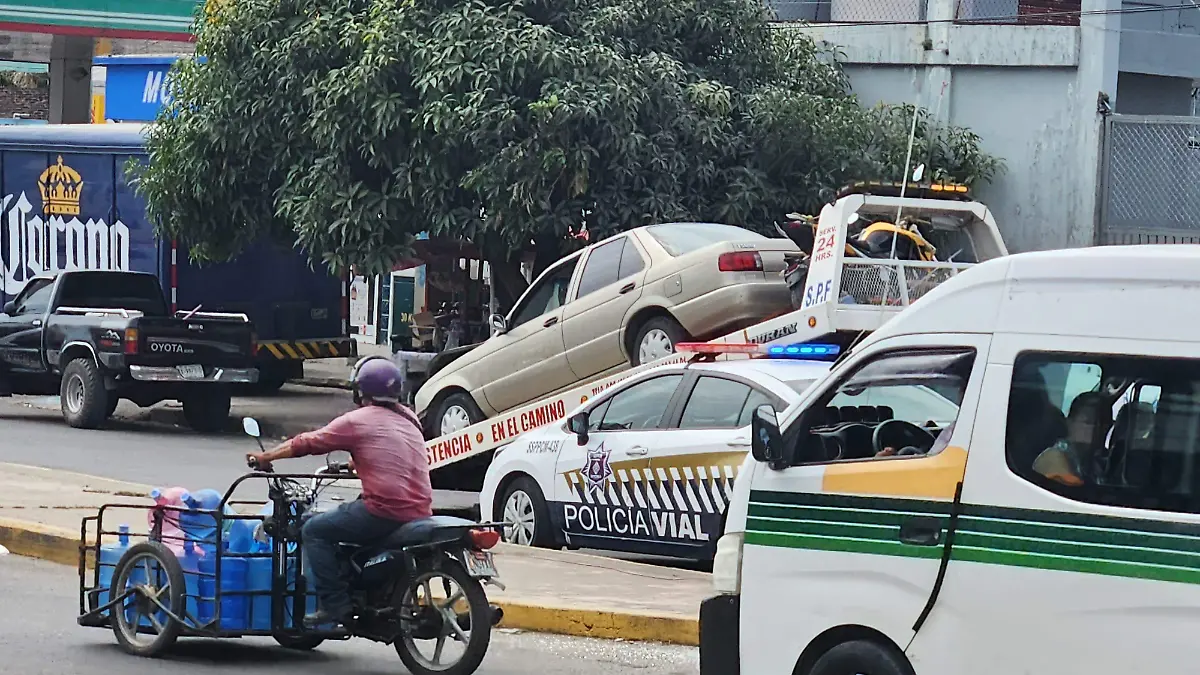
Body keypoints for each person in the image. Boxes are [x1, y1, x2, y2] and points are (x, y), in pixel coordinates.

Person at [246, 356, 432, 627]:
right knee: (347, 518)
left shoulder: (358, 420)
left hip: (384, 510)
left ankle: (334, 606)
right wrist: (356, 463)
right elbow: (391, 451)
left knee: (314, 530)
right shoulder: (409, 417)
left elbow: (309, 442)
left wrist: (267, 456)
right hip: (420, 509)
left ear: (360, 391)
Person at [1032, 391, 1110, 487]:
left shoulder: (1097, 463)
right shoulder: (1053, 457)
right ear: (1070, 423)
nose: (1096, 429)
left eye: (1104, 423)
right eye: (1088, 422)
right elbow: (1073, 493)